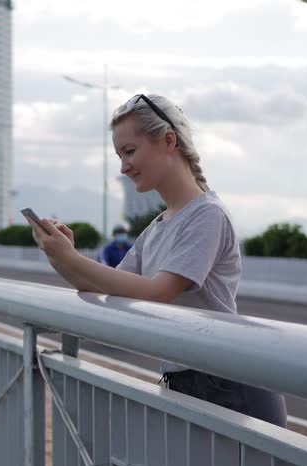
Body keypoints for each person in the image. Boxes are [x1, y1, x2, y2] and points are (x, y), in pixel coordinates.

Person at [25, 93, 286, 427]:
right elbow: (107, 290)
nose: (123, 167)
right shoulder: (158, 226)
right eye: (119, 155)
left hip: (230, 387)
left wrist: (71, 258)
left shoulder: (207, 215)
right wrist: (60, 255)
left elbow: (157, 292)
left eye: (130, 151)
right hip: (190, 381)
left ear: (168, 141)